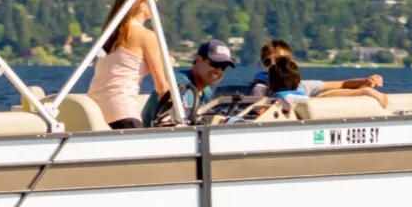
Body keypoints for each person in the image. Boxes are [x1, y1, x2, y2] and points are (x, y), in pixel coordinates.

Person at [85, 0, 173, 129]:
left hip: (97, 109)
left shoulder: (111, 34)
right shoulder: (145, 36)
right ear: (141, 4)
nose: (156, 1)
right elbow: (162, 88)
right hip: (122, 111)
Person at [251, 54, 390, 119]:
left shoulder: (272, 99)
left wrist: (364, 82)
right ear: (298, 84)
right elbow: (325, 97)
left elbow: (338, 86)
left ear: (270, 83)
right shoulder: (293, 99)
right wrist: (363, 92)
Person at [143, 37, 237, 125]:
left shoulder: (206, 92)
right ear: (199, 60)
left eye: (224, 67)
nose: (219, 70)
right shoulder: (182, 87)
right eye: (215, 64)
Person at [250, 39, 384, 98]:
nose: (273, 65)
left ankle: (364, 91)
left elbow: (341, 84)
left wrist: (365, 81)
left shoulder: (303, 87)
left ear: (291, 63)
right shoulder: (260, 89)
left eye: (280, 61)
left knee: (324, 96)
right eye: (267, 61)